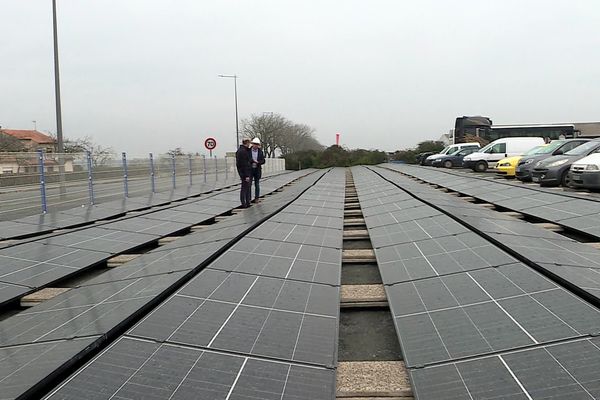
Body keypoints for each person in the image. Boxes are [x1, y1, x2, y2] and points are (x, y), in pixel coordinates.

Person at [236, 138, 252, 208]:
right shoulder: (243, 152)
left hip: (242, 172)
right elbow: (244, 164)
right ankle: (245, 203)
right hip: (245, 173)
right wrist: (246, 175)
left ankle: (246, 202)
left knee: (245, 187)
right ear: (247, 143)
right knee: (245, 188)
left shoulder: (240, 151)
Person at [249, 137, 265, 203]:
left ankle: (257, 198)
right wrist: (252, 161)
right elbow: (247, 159)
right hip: (250, 169)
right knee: (249, 184)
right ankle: (248, 198)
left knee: (257, 184)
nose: (255, 145)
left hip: (257, 169)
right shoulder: (248, 151)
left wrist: (258, 162)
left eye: (257, 144)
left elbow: (263, 161)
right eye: (254, 144)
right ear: (252, 144)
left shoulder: (260, 152)